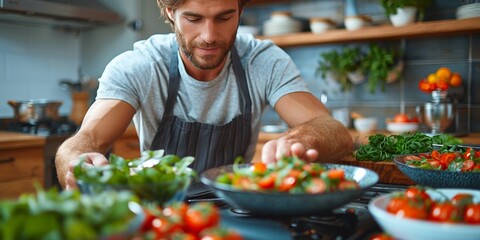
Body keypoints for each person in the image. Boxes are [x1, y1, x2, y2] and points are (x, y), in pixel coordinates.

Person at [55, 0, 353, 190]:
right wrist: (76, 161)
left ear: (240, 10)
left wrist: (303, 139)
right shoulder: (140, 66)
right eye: (194, 19)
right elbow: (85, 140)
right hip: (163, 213)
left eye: (224, 17)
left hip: (238, 208)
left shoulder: (263, 61)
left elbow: (333, 130)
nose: (210, 36)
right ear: (170, 12)